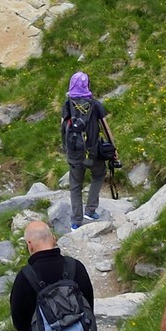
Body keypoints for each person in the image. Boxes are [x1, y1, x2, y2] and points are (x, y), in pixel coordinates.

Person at [60, 70, 114, 226]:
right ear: (87, 85)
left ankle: (76, 221)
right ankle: (90, 211)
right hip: (93, 152)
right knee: (99, 174)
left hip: (74, 153)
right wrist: (113, 149)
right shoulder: (95, 104)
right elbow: (105, 128)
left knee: (75, 186)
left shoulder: (67, 104)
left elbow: (63, 126)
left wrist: (67, 148)